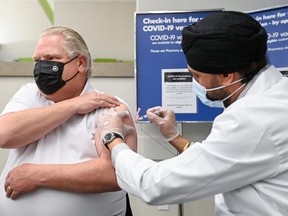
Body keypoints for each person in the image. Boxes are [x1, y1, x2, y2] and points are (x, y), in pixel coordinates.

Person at [94, 11, 288, 216]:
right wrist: (174, 136)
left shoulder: (250, 119)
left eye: (196, 75)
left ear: (226, 75)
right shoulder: (277, 93)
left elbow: (154, 186)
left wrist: (113, 138)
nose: (195, 83)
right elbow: (226, 158)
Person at [0, 26, 137, 216]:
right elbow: (5, 134)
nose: (41, 67)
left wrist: (37, 175)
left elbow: (114, 174)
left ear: (80, 63)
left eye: (51, 59)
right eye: (37, 60)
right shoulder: (30, 94)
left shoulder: (109, 106)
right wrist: (73, 105)